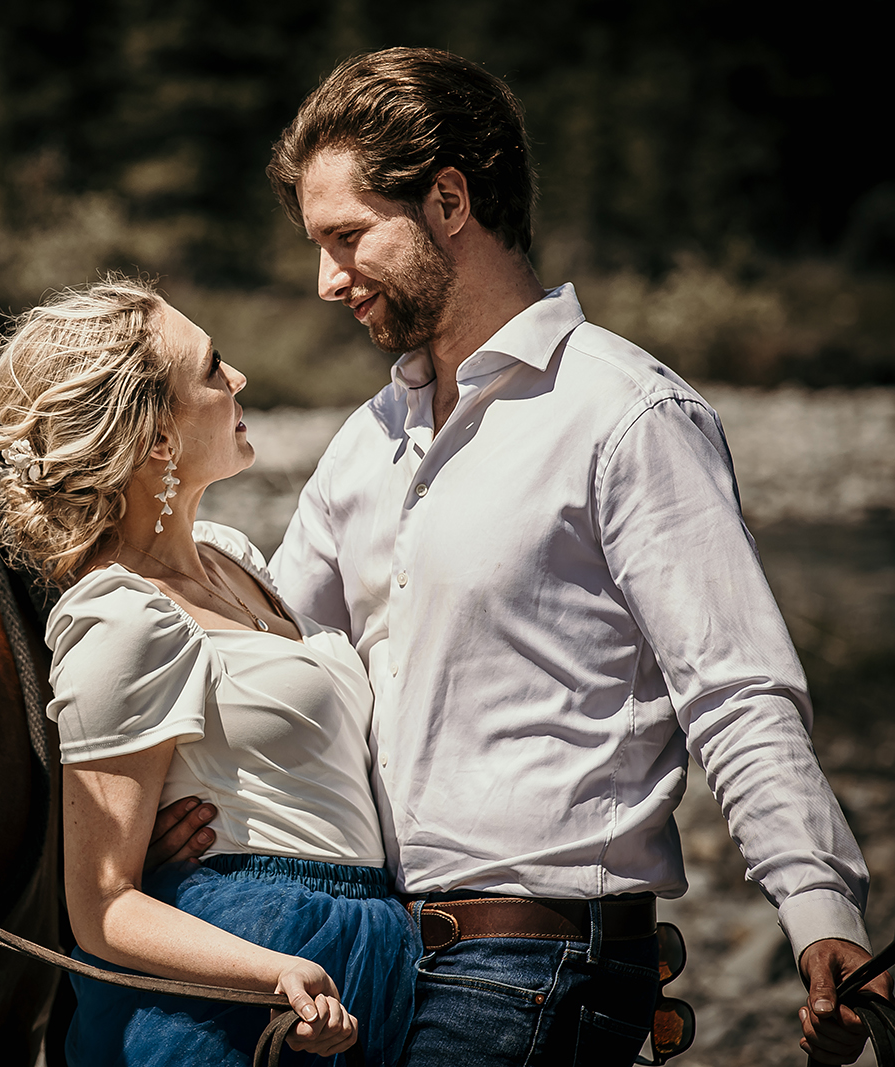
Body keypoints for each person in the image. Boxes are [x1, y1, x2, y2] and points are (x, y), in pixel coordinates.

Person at [152, 46, 887, 1066]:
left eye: (347, 237)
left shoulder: (624, 414)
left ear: (448, 200)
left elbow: (733, 688)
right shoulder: (368, 441)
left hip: (535, 967)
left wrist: (818, 906)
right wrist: (168, 801)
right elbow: (275, 656)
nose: (325, 280)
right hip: (371, 953)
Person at [0, 277, 420, 1066]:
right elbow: (100, 903)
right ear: (157, 441)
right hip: (238, 991)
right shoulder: (120, 617)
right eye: (212, 367)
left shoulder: (234, 558)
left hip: (361, 952)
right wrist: (271, 964)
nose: (239, 378)